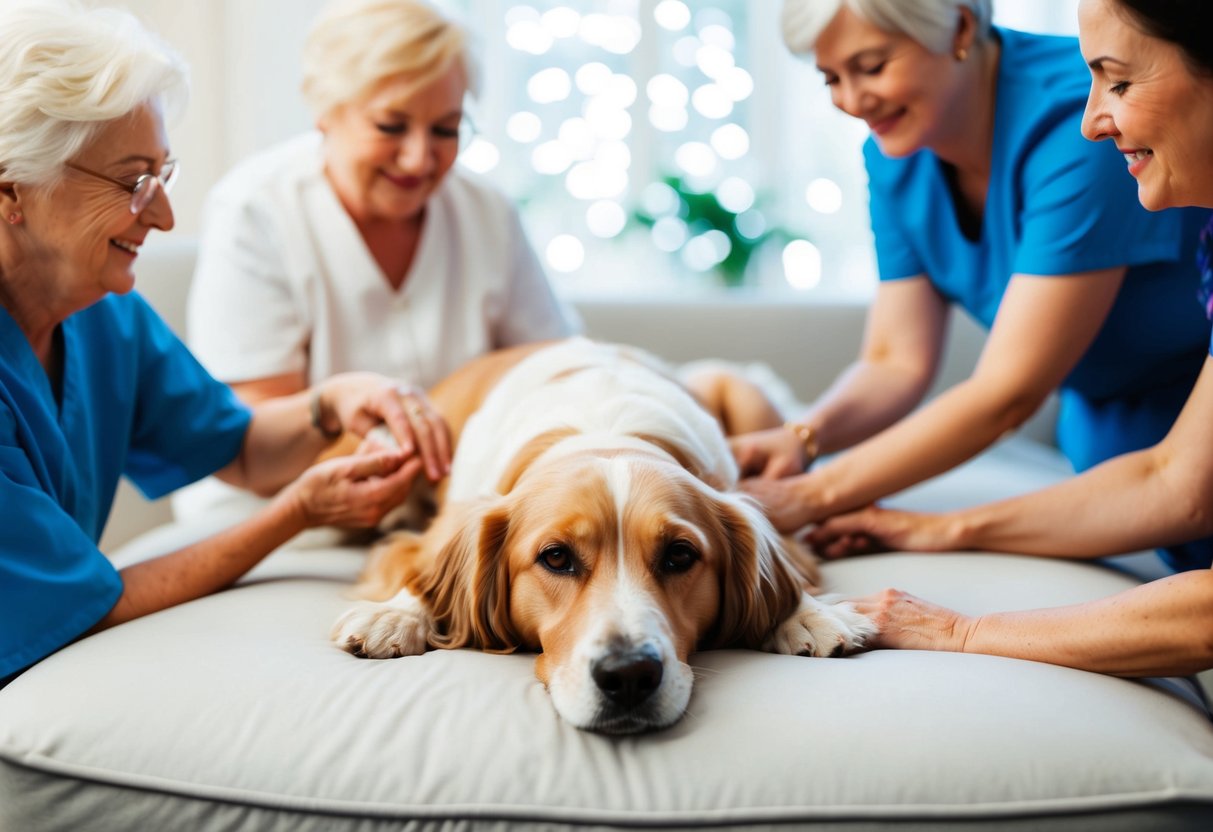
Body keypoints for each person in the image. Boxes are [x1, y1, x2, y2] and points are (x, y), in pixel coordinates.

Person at [0, 0, 429, 684]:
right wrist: (298, 512)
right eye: (133, 182)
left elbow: (239, 449)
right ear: (11, 190)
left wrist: (331, 405)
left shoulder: (108, 315)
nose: (164, 216)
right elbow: (87, 607)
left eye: (162, 177)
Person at [734, 0, 1213, 574]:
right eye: (831, 77)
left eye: (872, 65)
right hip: (1112, 453)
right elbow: (894, 360)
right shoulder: (896, 154)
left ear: (960, 27)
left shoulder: (1081, 127)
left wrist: (810, 496)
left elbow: (1007, 391)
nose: (853, 101)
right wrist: (803, 438)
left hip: (1186, 420)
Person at [172, 0, 581, 520]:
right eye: (391, 125)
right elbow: (257, 450)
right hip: (282, 520)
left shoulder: (488, 212)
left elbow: (554, 373)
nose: (419, 158)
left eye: (446, 129)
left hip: (440, 511)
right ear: (325, 110)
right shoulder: (257, 210)